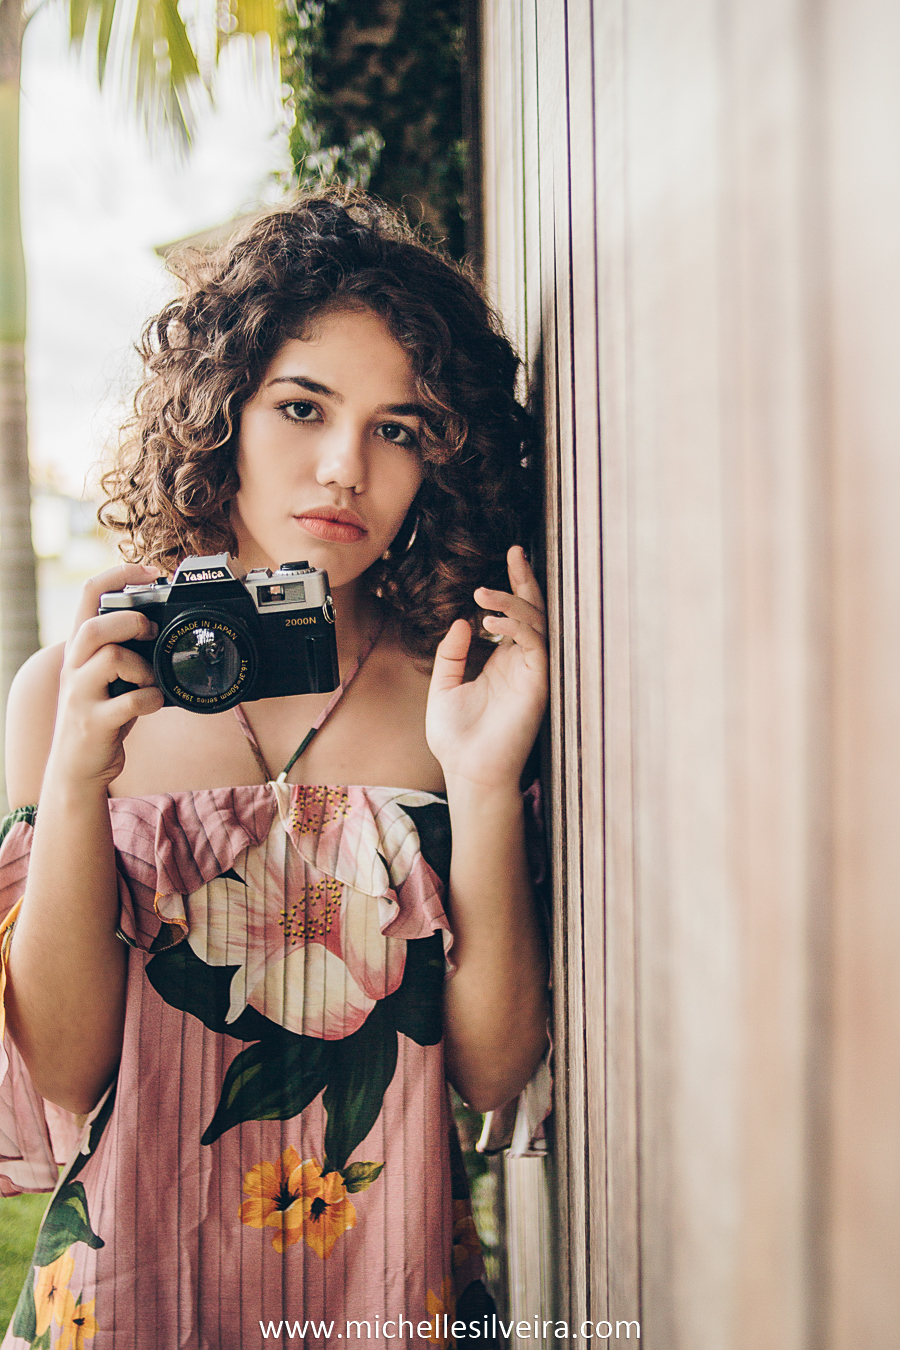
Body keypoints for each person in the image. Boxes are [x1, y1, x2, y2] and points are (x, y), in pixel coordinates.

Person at [0, 192, 549, 1350]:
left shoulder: (456, 696)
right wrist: (79, 778)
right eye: (303, 407)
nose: (344, 467)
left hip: (392, 1295)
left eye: (399, 428)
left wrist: (483, 783)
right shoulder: (72, 692)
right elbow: (65, 1068)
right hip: (129, 1300)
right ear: (222, 415)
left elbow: (493, 1074)